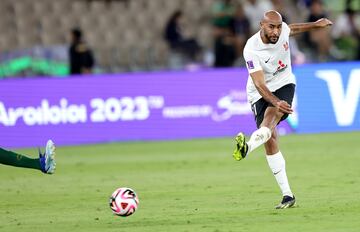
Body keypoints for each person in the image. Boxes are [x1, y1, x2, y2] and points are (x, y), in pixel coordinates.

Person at [233, 10, 332, 209]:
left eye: (278, 27)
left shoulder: (283, 30)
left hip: (284, 83)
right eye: (271, 27)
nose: (276, 31)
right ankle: (288, 195)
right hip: (259, 92)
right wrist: (275, 101)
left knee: (269, 121)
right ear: (261, 24)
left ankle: (248, 147)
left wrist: (316, 24)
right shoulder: (251, 49)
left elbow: (293, 28)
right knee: (271, 140)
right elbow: (260, 84)